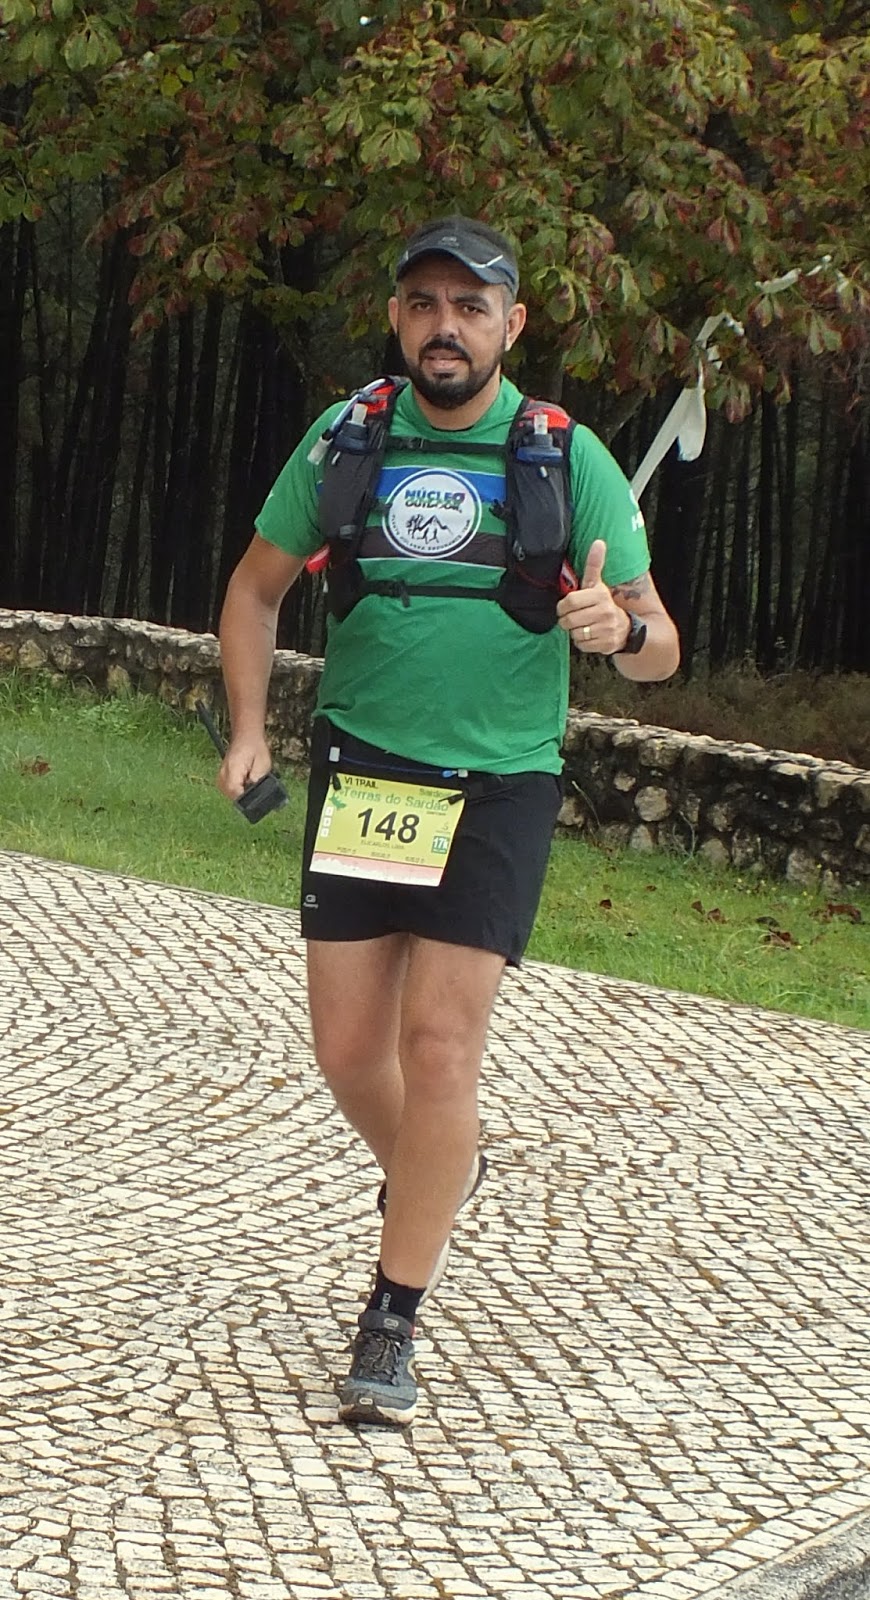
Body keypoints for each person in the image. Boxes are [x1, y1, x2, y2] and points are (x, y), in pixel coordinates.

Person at [217, 215, 680, 1428]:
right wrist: (248, 731)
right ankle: (440, 1168)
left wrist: (620, 630)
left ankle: (392, 1314)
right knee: (346, 1051)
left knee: (437, 1049)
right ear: (396, 318)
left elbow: (662, 646)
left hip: (498, 783)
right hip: (367, 771)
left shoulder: (564, 456)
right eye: (424, 303)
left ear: (510, 325)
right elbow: (255, 593)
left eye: (471, 307)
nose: (445, 327)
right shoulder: (349, 437)